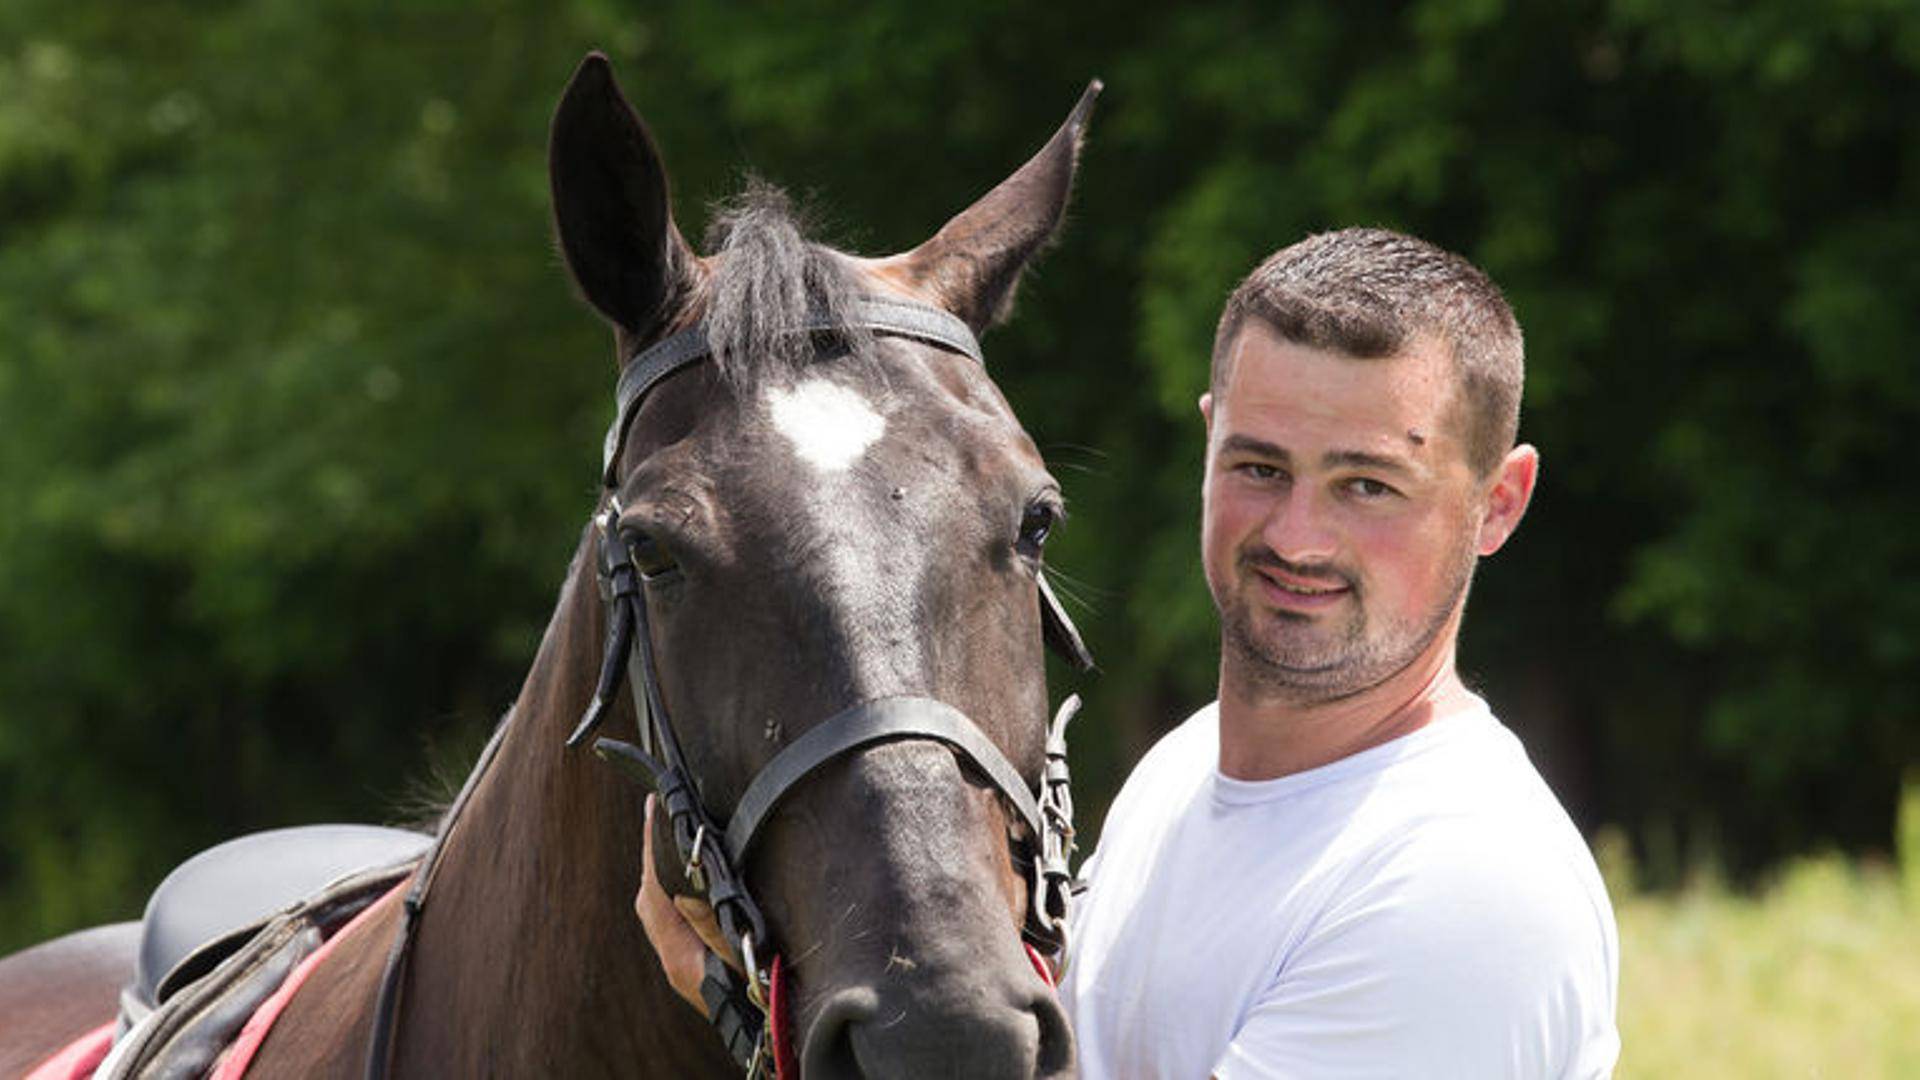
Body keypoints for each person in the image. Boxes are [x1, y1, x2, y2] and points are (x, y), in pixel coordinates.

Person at [636, 227, 1620, 1078]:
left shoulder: (1462, 889)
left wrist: (752, 1028)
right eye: (1259, 467)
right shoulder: (1186, 772)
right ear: (1208, 440)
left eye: (1368, 486)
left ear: (1500, 503)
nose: (1298, 536)